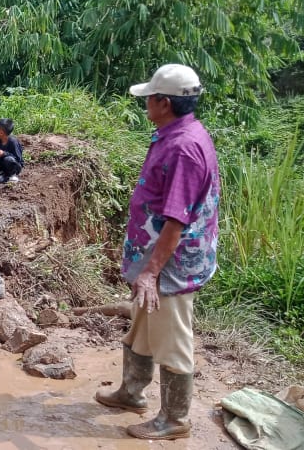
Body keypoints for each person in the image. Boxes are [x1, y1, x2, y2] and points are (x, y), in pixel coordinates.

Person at [94, 64, 220, 441]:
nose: (145, 102)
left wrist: (151, 271)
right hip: (154, 255)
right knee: (142, 324)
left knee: (172, 337)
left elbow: (177, 220)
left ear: (164, 102)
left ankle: (175, 418)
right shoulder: (174, 133)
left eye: (150, 96)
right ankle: (131, 393)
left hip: (171, 263)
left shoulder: (185, 148)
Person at [0, 118, 24, 183]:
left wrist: (4, 153)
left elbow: (18, 158)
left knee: (8, 159)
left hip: (14, 165)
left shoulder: (13, 142)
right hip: (3, 164)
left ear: (1, 133)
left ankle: (12, 175)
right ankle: (1, 173)